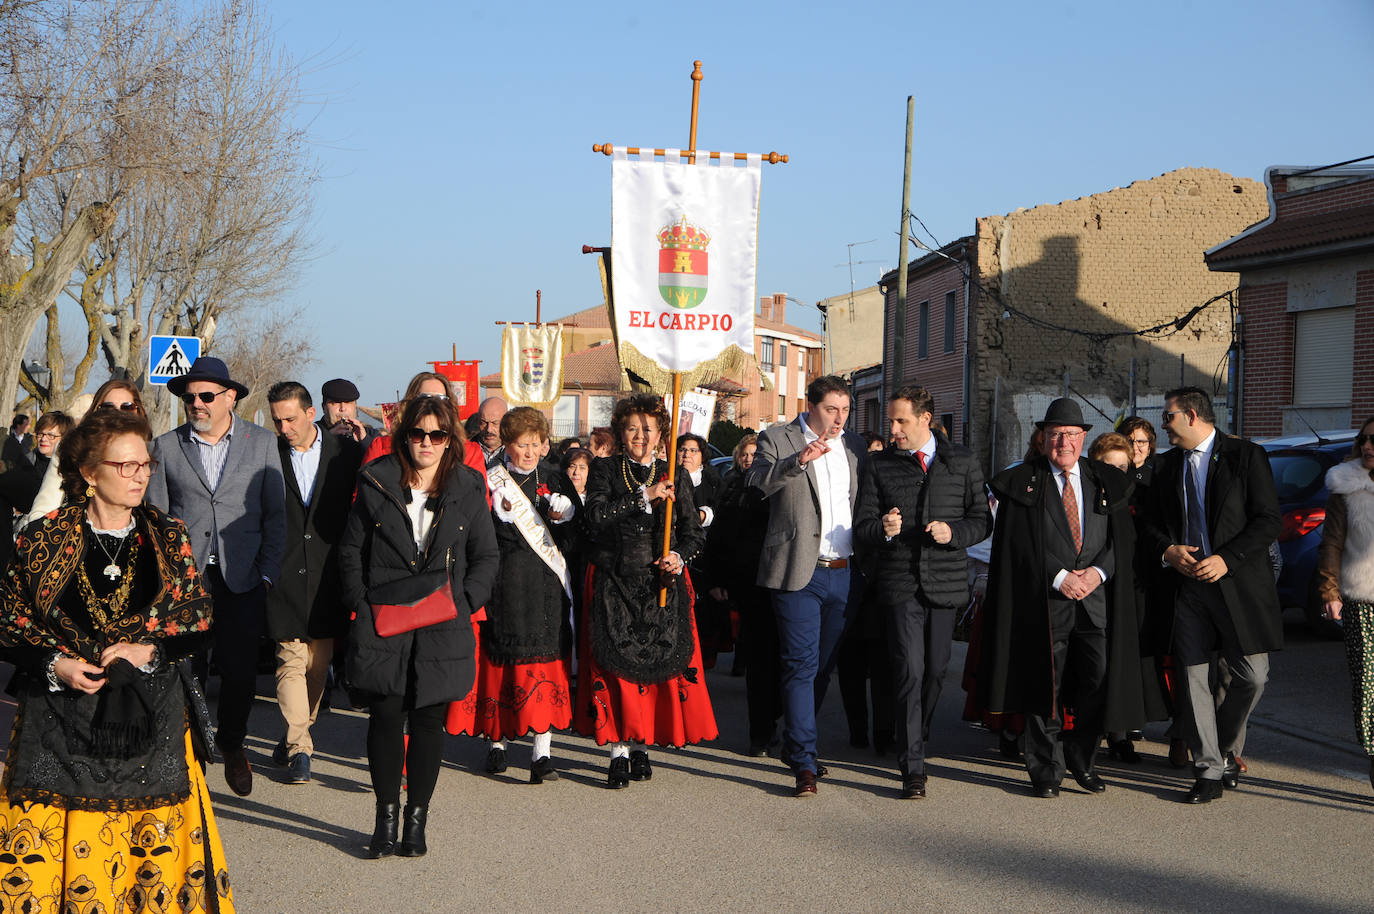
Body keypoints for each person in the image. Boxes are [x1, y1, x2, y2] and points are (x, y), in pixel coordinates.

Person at [0, 409, 236, 912]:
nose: (139, 475)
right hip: (59, 723)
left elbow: (199, 623)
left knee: (150, 875)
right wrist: (53, 664)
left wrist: (149, 649)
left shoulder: (168, 536)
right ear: (89, 472)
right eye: (125, 465)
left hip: (152, 723)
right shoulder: (41, 537)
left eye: (145, 464)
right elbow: (8, 623)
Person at [340, 394, 498, 858]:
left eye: (437, 434)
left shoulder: (468, 486)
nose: (426, 443)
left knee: (429, 719)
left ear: (450, 439)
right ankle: (384, 819)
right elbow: (351, 552)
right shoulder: (375, 481)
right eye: (417, 433)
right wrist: (361, 604)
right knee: (386, 716)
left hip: (444, 619)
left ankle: (416, 821)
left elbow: (486, 556)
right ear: (404, 434)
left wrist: (466, 602)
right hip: (385, 617)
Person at [978, 398, 1143, 798]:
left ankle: (1082, 760)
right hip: (1045, 603)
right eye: (1054, 434)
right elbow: (1018, 546)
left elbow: (1121, 542)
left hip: (1095, 602)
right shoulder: (1022, 483)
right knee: (1043, 687)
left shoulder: (1106, 480)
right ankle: (1046, 769)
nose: (1063, 442)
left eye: (1070, 434)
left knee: (1097, 682)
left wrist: (1098, 573)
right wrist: (1059, 576)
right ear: (1043, 438)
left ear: (1083, 437)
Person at [147, 356, 287, 797]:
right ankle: (189, 753)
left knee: (241, 671)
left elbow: (275, 515)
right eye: (190, 397)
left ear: (230, 398)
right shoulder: (166, 446)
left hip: (243, 577)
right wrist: (167, 576)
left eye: (206, 396)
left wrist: (266, 573)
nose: (197, 404)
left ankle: (232, 743)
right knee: (187, 669)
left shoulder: (262, 443)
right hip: (185, 579)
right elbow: (156, 517)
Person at [1141, 387, 1281, 804]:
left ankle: (1223, 748)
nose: (1163, 426)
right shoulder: (1164, 467)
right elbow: (1148, 524)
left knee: (1252, 677)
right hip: (1187, 591)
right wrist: (1168, 550)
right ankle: (1207, 770)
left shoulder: (1245, 457)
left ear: (1192, 414)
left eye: (1168, 417)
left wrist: (1227, 558)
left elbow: (1268, 520)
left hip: (1236, 585)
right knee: (1194, 677)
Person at [854, 386, 992, 799]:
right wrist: (883, 528)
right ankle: (913, 765)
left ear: (925, 420)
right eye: (890, 422)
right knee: (909, 671)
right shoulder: (879, 466)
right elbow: (863, 525)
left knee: (934, 671)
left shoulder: (962, 461)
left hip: (946, 582)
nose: (893, 429)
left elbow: (982, 521)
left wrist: (954, 533)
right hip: (900, 584)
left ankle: (918, 729)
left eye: (901, 421)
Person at [574, 394, 717, 787]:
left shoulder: (676, 473)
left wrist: (678, 555)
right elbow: (596, 519)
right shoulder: (604, 469)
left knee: (653, 669)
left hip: (660, 584)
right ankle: (618, 751)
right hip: (613, 579)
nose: (640, 435)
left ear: (660, 434)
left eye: (648, 429)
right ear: (621, 431)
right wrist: (646, 496)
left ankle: (642, 747)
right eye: (633, 428)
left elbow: (694, 534)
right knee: (615, 669)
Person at [748, 375, 866, 797]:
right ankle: (804, 759)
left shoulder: (853, 447)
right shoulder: (778, 439)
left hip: (844, 570)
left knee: (821, 666)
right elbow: (755, 484)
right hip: (798, 569)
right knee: (800, 663)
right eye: (832, 409)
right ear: (811, 406)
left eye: (846, 410)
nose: (839, 418)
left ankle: (796, 740)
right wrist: (798, 461)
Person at [448, 407, 577, 783]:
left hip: (543, 588)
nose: (530, 452)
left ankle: (542, 754)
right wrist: (493, 516)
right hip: (501, 585)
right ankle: (498, 743)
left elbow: (574, 539)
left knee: (542, 668)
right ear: (508, 443)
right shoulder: (488, 479)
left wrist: (565, 517)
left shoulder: (554, 477)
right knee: (500, 667)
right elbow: (471, 535)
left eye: (536, 444)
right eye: (522, 444)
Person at [265, 381, 363, 784]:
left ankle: (296, 730)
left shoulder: (348, 454)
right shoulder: (267, 455)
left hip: (329, 573)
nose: (283, 427)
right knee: (289, 660)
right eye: (277, 420)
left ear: (310, 414)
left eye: (290, 418)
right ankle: (300, 748)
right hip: (283, 572)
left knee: (316, 665)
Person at [707, 434, 779, 752]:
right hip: (753, 583)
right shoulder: (738, 489)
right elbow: (723, 536)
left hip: (791, 581)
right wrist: (717, 578)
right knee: (760, 660)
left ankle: (787, 723)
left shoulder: (793, 484)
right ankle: (761, 732)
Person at [1317, 417, 1374, 790]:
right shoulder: (1346, 484)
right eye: (1364, 440)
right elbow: (1332, 542)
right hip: (1360, 597)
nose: (1368, 447)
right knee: (1368, 682)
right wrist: (1329, 592)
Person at [19, 381, 148, 529]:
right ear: (95, 411)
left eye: (127, 407)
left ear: (139, 412)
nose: (117, 414)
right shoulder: (69, 449)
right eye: (108, 408)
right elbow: (44, 508)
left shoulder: (151, 451)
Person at [677, 433, 729, 666]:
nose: (686, 454)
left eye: (692, 450)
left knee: (705, 612)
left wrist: (703, 515)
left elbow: (722, 513)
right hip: (675, 550)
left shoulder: (713, 480)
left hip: (705, 555)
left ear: (702, 456)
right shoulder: (668, 477)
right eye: (683, 450)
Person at [320, 377, 379, 448]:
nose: (342, 408)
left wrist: (365, 440)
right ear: (324, 407)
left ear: (355, 406)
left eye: (348, 402)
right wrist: (327, 439)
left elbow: (385, 458)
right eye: (335, 403)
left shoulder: (372, 435)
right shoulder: (313, 433)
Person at [475, 396, 508, 468]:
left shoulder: (516, 453)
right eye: (484, 423)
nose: (489, 429)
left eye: (495, 423)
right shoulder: (464, 452)